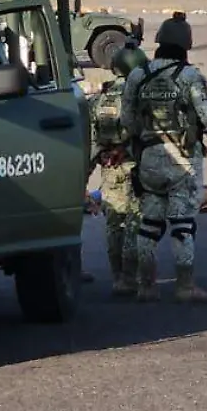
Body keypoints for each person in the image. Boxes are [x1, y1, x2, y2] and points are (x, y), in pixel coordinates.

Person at [121, 15, 207, 303]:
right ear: (186, 44)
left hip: (149, 158)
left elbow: (127, 121)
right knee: (182, 224)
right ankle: (185, 286)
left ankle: (146, 285)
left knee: (149, 223)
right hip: (184, 161)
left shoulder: (138, 75)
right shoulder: (190, 76)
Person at [86, 44, 149, 298]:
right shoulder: (142, 97)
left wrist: (85, 173)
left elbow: (92, 141)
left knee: (114, 224)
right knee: (135, 223)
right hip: (137, 168)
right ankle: (131, 278)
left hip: (109, 170)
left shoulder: (100, 100)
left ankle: (117, 278)